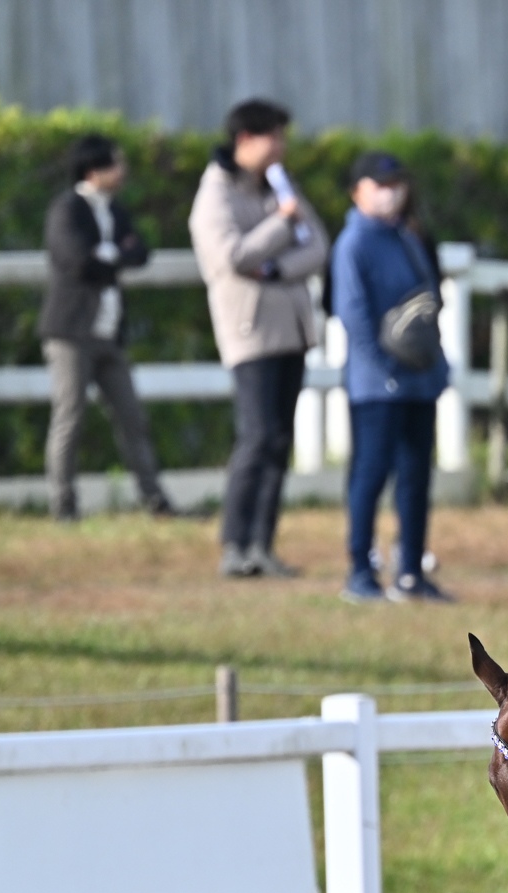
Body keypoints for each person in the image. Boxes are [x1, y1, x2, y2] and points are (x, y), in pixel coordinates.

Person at [190, 98, 331, 579]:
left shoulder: (276, 185)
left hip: (292, 328)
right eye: (275, 137)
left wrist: (273, 269)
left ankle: (262, 545)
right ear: (245, 139)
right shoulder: (216, 193)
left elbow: (318, 245)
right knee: (256, 436)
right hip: (249, 332)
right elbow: (231, 256)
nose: (282, 147)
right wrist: (281, 225)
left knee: (279, 440)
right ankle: (234, 543)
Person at [331, 152, 451, 603]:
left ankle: (411, 572)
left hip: (418, 380)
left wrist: (431, 364)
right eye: (380, 185)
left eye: (396, 184)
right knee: (370, 475)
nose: (391, 194)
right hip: (376, 385)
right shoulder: (353, 243)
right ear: (357, 191)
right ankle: (360, 572)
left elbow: (429, 302)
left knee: (416, 477)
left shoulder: (408, 237)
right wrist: (387, 366)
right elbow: (353, 314)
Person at [39, 135, 173, 522]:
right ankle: (63, 504)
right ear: (93, 170)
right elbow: (76, 260)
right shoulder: (67, 209)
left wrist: (107, 254)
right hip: (71, 330)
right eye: (115, 164)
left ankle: (154, 498)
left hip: (109, 331)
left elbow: (141, 252)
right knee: (70, 416)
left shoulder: (115, 211)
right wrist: (117, 253)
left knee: (132, 416)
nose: (122, 171)